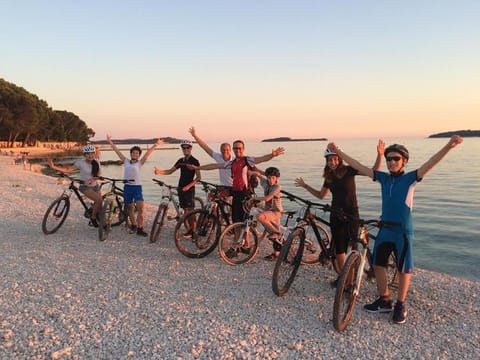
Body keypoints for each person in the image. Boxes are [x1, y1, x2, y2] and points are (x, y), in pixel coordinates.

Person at [327, 135, 463, 324]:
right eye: (389, 159)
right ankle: (384, 300)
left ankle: (400, 305)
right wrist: (339, 151)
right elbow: (358, 166)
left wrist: (449, 146)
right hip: (385, 229)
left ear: (404, 161)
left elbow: (431, 163)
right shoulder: (383, 178)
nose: (391, 162)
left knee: (404, 268)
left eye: (395, 159)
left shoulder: (410, 179)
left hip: (402, 231)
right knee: (377, 265)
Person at [294, 141, 384, 286]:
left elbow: (373, 171)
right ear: (327, 161)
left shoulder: (349, 170)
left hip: (351, 214)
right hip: (335, 214)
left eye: (335, 159)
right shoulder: (329, 177)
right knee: (339, 250)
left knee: (353, 248)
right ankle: (346, 280)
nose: (333, 162)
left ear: (340, 159)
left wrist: (380, 155)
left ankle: (353, 277)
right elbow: (321, 195)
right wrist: (305, 186)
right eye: (330, 160)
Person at [107, 135, 163, 237]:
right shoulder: (126, 161)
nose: (135, 154)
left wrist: (156, 144)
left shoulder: (140, 163)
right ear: (131, 154)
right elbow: (117, 151)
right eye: (133, 153)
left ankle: (140, 228)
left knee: (141, 209)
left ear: (138, 155)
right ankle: (133, 225)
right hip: (127, 187)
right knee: (130, 208)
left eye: (137, 153)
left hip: (137, 187)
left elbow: (148, 154)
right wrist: (110, 142)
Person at [154, 139, 201, 238]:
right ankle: (189, 230)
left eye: (187, 147)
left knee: (190, 212)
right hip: (181, 188)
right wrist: (160, 172)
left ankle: (194, 231)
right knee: (185, 210)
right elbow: (170, 171)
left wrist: (188, 186)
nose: (185, 149)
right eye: (183, 148)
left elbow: (198, 177)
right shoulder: (181, 161)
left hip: (189, 189)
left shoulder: (195, 161)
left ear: (191, 148)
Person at [48, 144, 102, 227]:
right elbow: (68, 170)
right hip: (85, 186)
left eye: (92, 153)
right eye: (88, 154)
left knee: (100, 205)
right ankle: (93, 217)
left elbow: (98, 175)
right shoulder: (80, 163)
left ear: (94, 154)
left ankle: (94, 213)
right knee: (99, 200)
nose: (90, 155)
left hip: (95, 186)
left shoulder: (97, 162)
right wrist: (53, 167)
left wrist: (91, 180)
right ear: (84, 155)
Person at [249, 166, 284, 261]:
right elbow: (259, 175)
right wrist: (252, 172)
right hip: (268, 211)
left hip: (276, 212)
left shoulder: (277, 187)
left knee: (263, 219)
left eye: (273, 178)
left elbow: (267, 198)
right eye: (269, 177)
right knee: (253, 211)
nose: (270, 180)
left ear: (277, 178)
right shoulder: (266, 183)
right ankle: (256, 229)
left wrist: (254, 198)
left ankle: (276, 235)